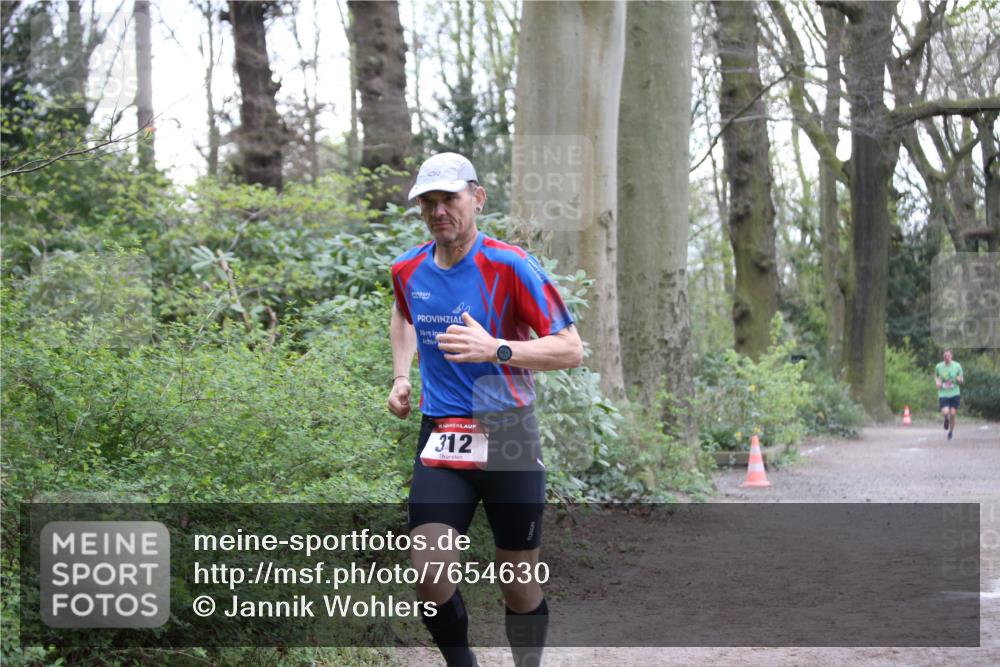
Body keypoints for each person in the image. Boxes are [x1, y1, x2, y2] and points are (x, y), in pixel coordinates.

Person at [387, 152, 583, 667]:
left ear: (477, 198)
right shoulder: (407, 269)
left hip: (509, 434)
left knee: (518, 582)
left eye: (449, 198)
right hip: (442, 435)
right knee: (429, 574)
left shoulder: (510, 265)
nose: (438, 211)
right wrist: (402, 376)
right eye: (428, 202)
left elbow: (570, 348)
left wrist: (496, 348)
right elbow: (404, 314)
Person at [935, 348, 964, 440]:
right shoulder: (938, 366)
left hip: (955, 393)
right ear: (943, 357)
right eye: (945, 356)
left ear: (951, 356)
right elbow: (936, 376)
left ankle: (951, 432)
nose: (946, 357)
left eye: (948, 355)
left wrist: (960, 380)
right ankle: (946, 419)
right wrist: (937, 383)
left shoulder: (957, 366)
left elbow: (962, 379)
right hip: (943, 393)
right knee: (945, 412)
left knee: (953, 413)